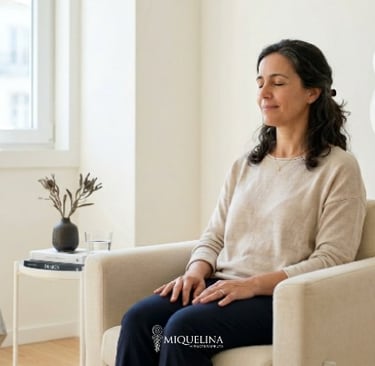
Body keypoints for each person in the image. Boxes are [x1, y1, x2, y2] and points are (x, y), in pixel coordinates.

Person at [115, 39, 366, 366]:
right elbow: (214, 235)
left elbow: (333, 258)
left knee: (181, 332)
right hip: (223, 285)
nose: (264, 93)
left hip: (278, 298)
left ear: (312, 92)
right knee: (139, 320)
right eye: (260, 83)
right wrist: (195, 271)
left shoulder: (339, 167)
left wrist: (251, 285)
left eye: (277, 83)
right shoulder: (247, 164)